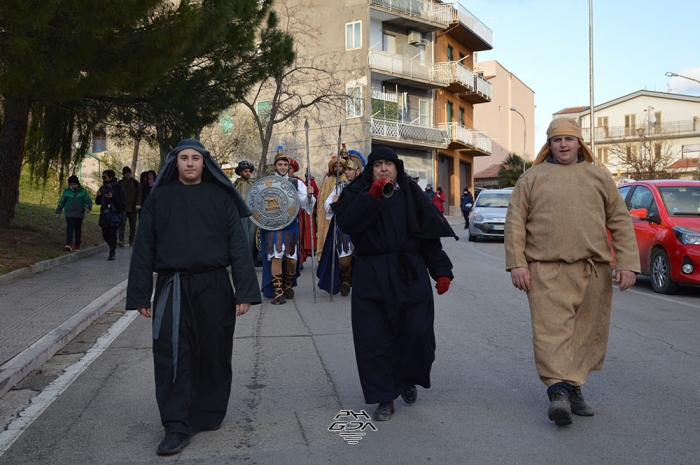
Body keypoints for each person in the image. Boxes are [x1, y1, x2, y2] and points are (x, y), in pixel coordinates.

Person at [126, 139, 261, 456]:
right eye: (183, 158)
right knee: (174, 354)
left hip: (214, 285)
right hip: (173, 286)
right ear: (175, 163)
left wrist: (244, 291)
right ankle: (176, 424)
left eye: (195, 158)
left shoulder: (221, 198)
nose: (189, 163)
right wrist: (141, 294)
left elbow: (238, 247)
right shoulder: (160, 198)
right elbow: (143, 248)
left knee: (214, 349)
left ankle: (208, 412)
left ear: (204, 163)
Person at [504, 118, 640, 427]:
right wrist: (517, 263)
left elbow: (619, 220)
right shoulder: (532, 179)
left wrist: (629, 263)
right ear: (548, 145)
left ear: (580, 144)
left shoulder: (599, 177)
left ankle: (574, 387)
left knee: (584, 333)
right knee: (551, 332)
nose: (563, 144)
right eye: (557, 140)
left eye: (569, 139)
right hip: (544, 270)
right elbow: (515, 223)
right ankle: (558, 393)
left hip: (592, 270)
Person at [332, 146, 456, 422]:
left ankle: (407, 378)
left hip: (409, 271)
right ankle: (384, 396)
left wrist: (441, 270)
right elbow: (349, 223)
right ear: (371, 169)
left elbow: (427, 236)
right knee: (374, 338)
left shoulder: (411, 193)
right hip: (371, 273)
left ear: (397, 168)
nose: (384, 169)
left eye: (389, 164)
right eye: (378, 164)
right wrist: (372, 196)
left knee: (416, 332)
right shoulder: (358, 191)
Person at [259, 146, 315, 305]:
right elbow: (260, 204)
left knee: (291, 261)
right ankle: (278, 293)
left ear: (288, 167)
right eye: (280, 165)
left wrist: (310, 195)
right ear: (275, 166)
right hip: (274, 226)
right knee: (276, 257)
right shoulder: (268, 183)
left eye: (285, 165)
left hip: (290, 225)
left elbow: (305, 204)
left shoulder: (296, 184)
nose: (283, 167)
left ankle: (287, 282)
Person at [317, 158, 360, 296]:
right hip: (345, 228)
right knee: (343, 260)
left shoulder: (366, 186)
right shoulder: (340, 186)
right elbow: (327, 205)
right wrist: (335, 203)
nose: (346, 172)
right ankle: (346, 280)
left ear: (358, 171)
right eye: (345, 169)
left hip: (361, 228)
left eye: (349, 170)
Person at [316, 155, 347, 262]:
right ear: (331, 168)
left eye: (340, 166)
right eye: (335, 166)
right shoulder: (326, 182)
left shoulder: (347, 180)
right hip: (329, 216)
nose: (338, 168)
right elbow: (321, 202)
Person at [233, 160, 260, 266]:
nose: (248, 173)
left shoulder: (255, 184)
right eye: (245, 171)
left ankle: (250, 260)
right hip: (239, 216)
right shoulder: (234, 185)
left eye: (249, 171)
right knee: (241, 237)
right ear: (240, 172)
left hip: (253, 215)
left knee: (252, 237)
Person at [95, 170, 126, 260]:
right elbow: (97, 202)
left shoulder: (118, 188)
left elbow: (122, 202)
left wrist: (113, 197)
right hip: (105, 213)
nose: (103, 179)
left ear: (110, 177)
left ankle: (112, 252)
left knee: (112, 234)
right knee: (105, 234)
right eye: (102, 177)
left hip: (115, 214)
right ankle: (113, 246)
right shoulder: (102, 188)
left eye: (105, 177)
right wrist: (99, 196)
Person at [55, 175, 92, 251]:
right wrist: (58, 212)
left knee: (78, 229)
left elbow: (88, 201)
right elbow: (62, 202)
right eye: (71, 184)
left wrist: (88, 208)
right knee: (69, 228)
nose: (73, 186)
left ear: (77, 184)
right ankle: (68, 244)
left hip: (79, 214)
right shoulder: (66, 192)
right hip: (69, 213)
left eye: (74, 184)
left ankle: (77, 245)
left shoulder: (83, 191)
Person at [118, 166, 142, 247]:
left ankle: (131, 240)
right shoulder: (120, 183)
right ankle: (121, 240)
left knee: (133, 226)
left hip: (133, 208)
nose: (128, 174)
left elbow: (139, 194)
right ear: (123, 174)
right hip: (123, 208)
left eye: (129, 172)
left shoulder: (135, 183)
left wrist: (138, 204)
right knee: (121, 224)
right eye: (126, 172)